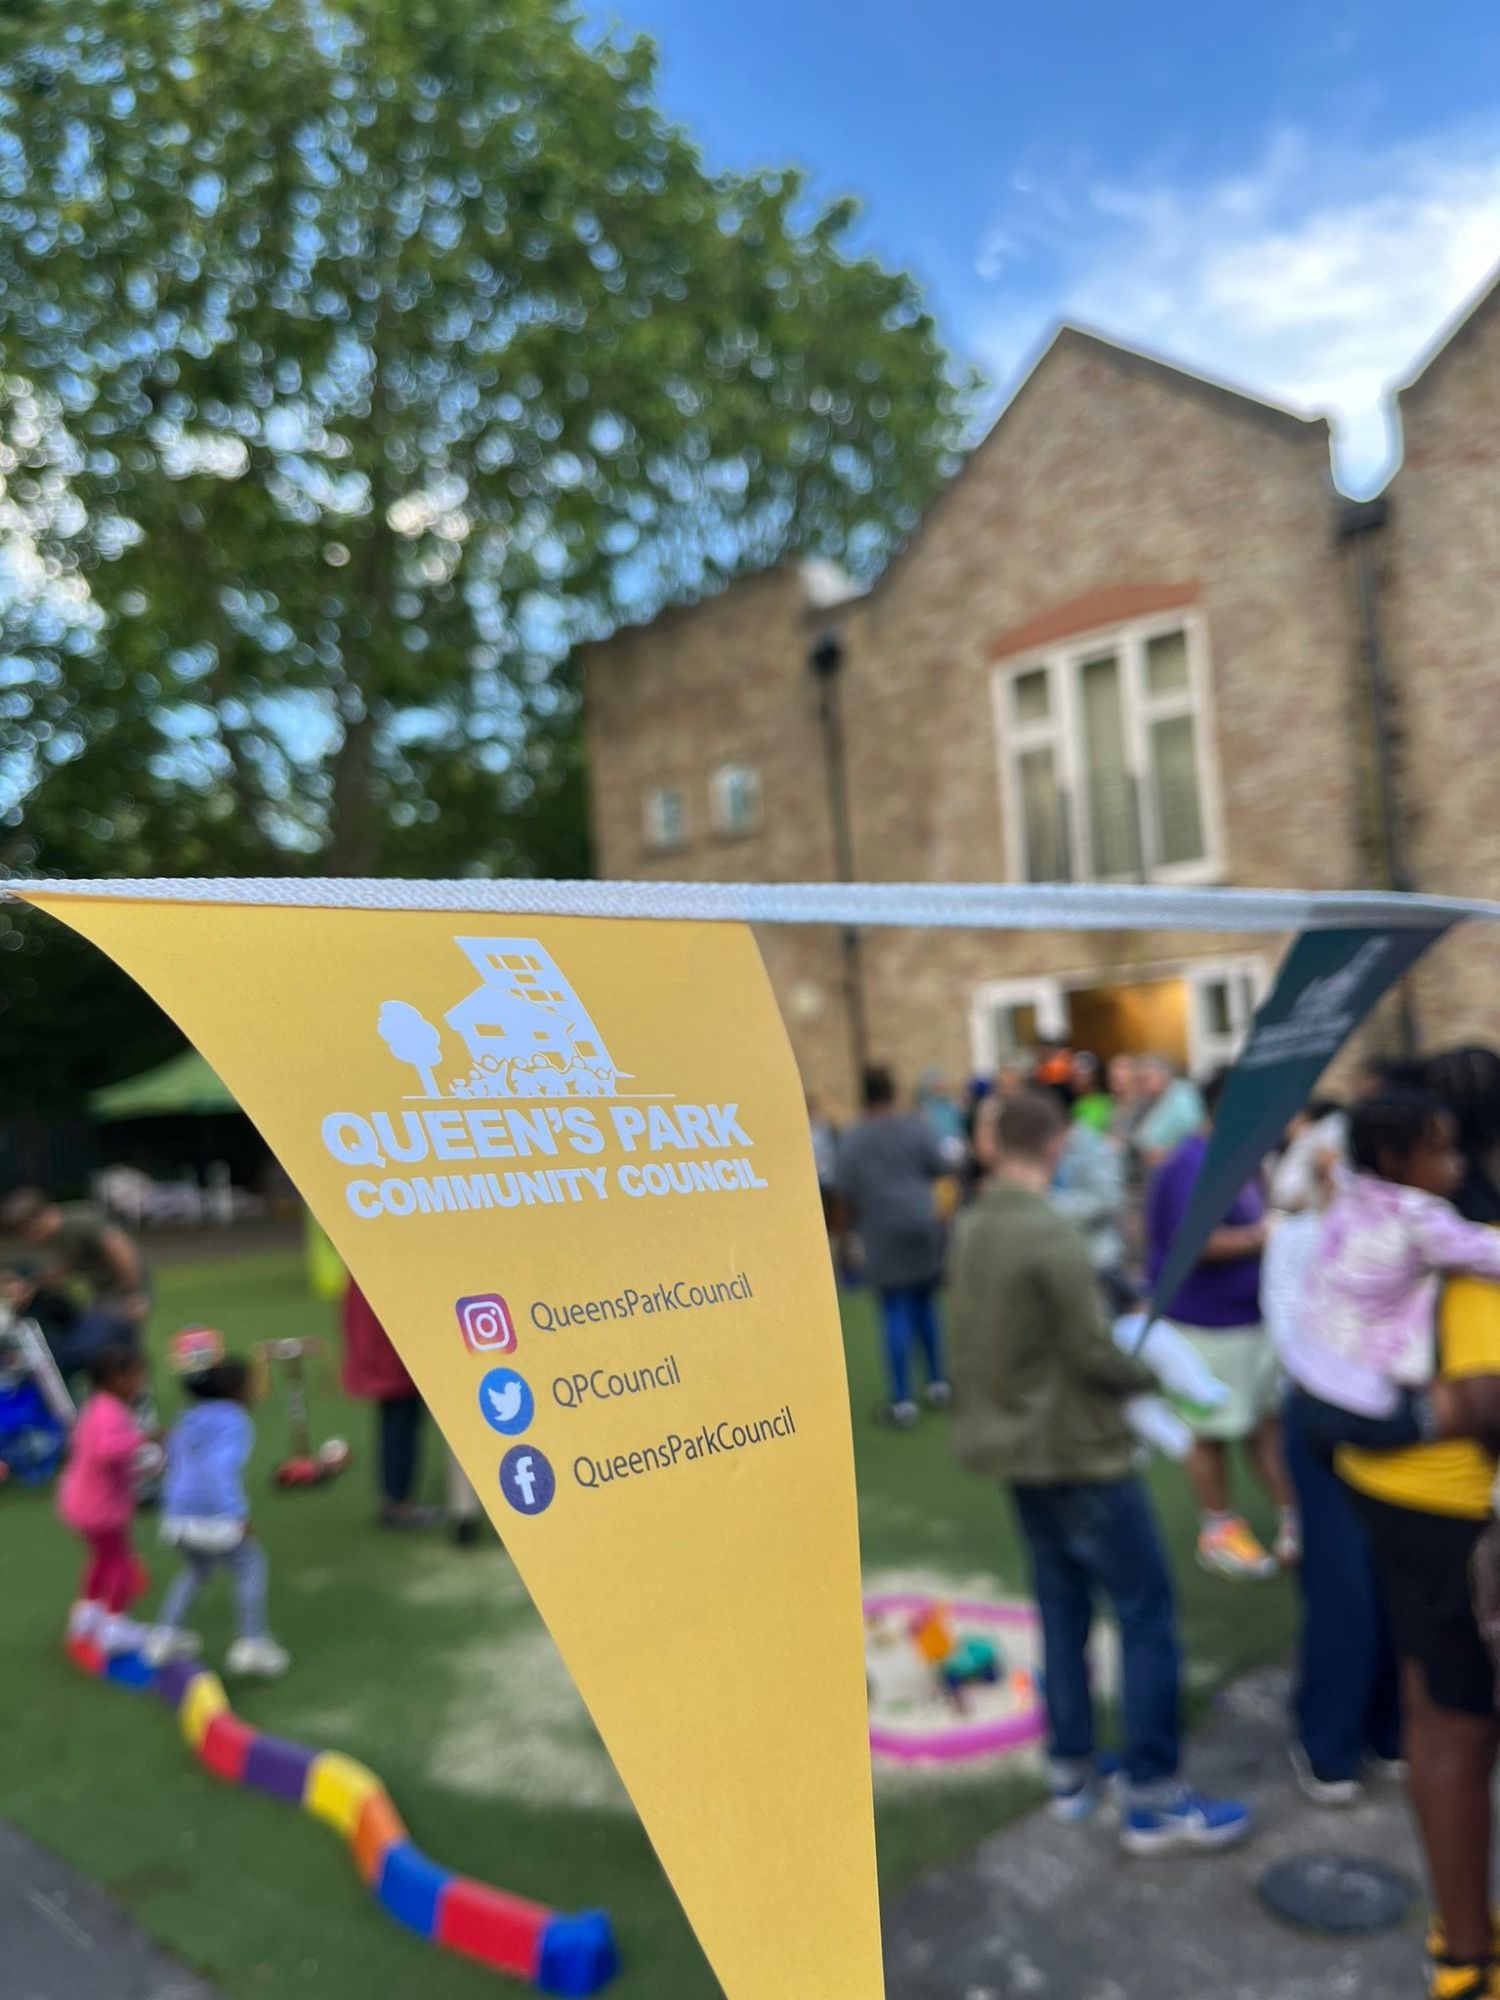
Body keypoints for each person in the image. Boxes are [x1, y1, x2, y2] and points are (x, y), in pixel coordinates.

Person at [948, 1089, 1250, 1851]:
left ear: (993, 1146)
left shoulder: (974, 1226)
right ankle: (1151, 1794)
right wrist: (1158, 1374)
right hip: (1077, 1452)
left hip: (1020, 1453)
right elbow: (1092, 1352)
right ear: (1054, 1148)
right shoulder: (1048, 1232)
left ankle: (1072, 1770)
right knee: (1145, 1612)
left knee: (1062, 1607)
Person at [1336, 1048, 1500, 2000]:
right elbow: (1482, 1401)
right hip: (1459, 1512)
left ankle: (1459, 1946)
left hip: (1386, 1492)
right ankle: (1468, 1953)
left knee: (1436, 1713)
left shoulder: (1369, 1215)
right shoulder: (1466, 1240)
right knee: (1457, 1728)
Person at [1263, 1163, 1402, 1806]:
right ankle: (1375, 1736)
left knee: (1351, 1579)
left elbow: (1289, 1333)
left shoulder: (1314, 1236)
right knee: (1373, 1574)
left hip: (1341, 1415)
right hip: (1383, 1414)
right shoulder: (1406, 1228)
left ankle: (1338, 1746)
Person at [1146, 1068, 1295, 1578]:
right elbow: (1196, 1243)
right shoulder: (1192, 1164)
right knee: (1209, 1431)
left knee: (1265, 1424)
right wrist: (1266, 1233)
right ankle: (1218, 1531)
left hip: (1251, 1317)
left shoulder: (1240, 1156)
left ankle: (1293, 1520)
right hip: (1206, 1321)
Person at [1292, 1093, 1500, 1453]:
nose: (1458, 1164)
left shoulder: (1348, 1187)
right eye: (1442, 1153)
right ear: (1392, 1162)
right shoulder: (1418, 1216)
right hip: (1362, 1406)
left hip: (1308, 1380)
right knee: (1485, 1407)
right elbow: (1487, 1254)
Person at [147, 1334, 288, 1676]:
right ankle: (251, 1644)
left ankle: (164, 1636)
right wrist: (236, 1516)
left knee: (197, 1570)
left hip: (176, 1517)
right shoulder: (233, 1420)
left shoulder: (187, 1417)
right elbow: (219, 1470)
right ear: (236, 1391)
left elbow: (174, 1461)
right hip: (213, 1517)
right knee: (250, 1566)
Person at [835, 1065, 951, 1428]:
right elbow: (941, 1169)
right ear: (892, 1091)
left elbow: (843, 1194)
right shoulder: (917, 1128)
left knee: (894, 1310)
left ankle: (901, 1401)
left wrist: (845, 1240)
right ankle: (937, 1383)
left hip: (881, 1231)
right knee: (925, 1304)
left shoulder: (853, 1139)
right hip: (921, 1224)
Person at [57, 1344, 153, 1654]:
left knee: (100, 1558)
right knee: (121, 1563)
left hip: (81, 1502)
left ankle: (87, 1614)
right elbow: (107, 1451)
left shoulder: (96, 1405)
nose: (142, 1382)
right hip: (102, 1507)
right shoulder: (110, 1410)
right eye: (137, 1375)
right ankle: (115, 1625)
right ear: (116, 1378)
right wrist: (141, 1440)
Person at [0, 1187, 151, 1359]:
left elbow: (120, 1248)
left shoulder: (77, 1223)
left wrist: (133, 1293)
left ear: (35, 1220)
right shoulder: (59, 1235)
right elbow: (69, 1267)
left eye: (25, 1231)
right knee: (110, 1348)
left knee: (109, 1347)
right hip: (102, 1293)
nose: (27, 1238)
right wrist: (34, 1283)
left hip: (120, 1292)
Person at [341, 1280, 439, 1528]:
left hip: (381, 1317)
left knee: (399, 1410)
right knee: (400, 1409)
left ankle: (395, 1499)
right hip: (388, 1322)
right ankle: (396, 1501)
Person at [1133, 1057, 1206, 1170]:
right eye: (1141, 1080)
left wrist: (1168, 1153)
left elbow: (1195, 1131)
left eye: (1146, 1078)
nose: (1142, 1084)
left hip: (1180, 1167)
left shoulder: (1182, 1094)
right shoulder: (1147, 1101)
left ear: (1163, 1075)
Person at [1069, 1052, 1114, 1134]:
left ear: (1094, 1076)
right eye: (1075, 1074)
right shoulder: (1076, 1103)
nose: (1077, 1079)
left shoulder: (1106, 1102)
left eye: (1081, 1075)